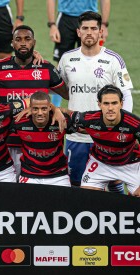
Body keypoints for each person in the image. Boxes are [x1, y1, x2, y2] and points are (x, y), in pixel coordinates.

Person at [0, 25, 68, 180]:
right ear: (12, 43)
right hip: (6, 143)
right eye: (18, 39)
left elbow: (68, 94)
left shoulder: (46, 68)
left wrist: (56, 109)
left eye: (27, 39)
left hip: (36, 145)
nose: (23, 43)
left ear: (33, 42)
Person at [58, 11, 133, 190]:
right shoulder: (67, 59)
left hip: (106, 135)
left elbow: (126, 94)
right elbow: (61, 89)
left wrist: (121, 124)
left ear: (101, 32)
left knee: (114, 181)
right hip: (77, 136)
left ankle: (118, 216)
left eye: (94, 28)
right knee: (75, 183)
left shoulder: (114, 60)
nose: (89, 32)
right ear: (78, 32)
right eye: (85, 28)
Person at [69, 85, 140, 197]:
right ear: (99, 104)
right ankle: (114, 186)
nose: (110, 108)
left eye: (114, 103)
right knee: (87, 197)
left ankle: (117, 187)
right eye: (106, 104)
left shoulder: (135, 123)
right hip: (101, 163)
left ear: (121, 104)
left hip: (130, 164)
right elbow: (67, 114)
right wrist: (55, 110)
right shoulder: (90, 118)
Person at [46, 0, 110, 106]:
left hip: (90, 19)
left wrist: (104, 24)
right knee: (62, 64)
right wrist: (52, 24)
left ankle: (90, 105)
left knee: (91, 62)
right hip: (66, 19)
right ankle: (55, 106)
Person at [14, 91, 75, 187]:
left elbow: (81, 120)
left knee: (63, 202)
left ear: (50, 108)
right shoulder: (20, 121)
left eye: (44, 109)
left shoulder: (61, 120)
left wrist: (59, 110)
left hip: (58, 175)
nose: (40, 113)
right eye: (35, 109)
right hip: (30, 175)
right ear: (30, 108)